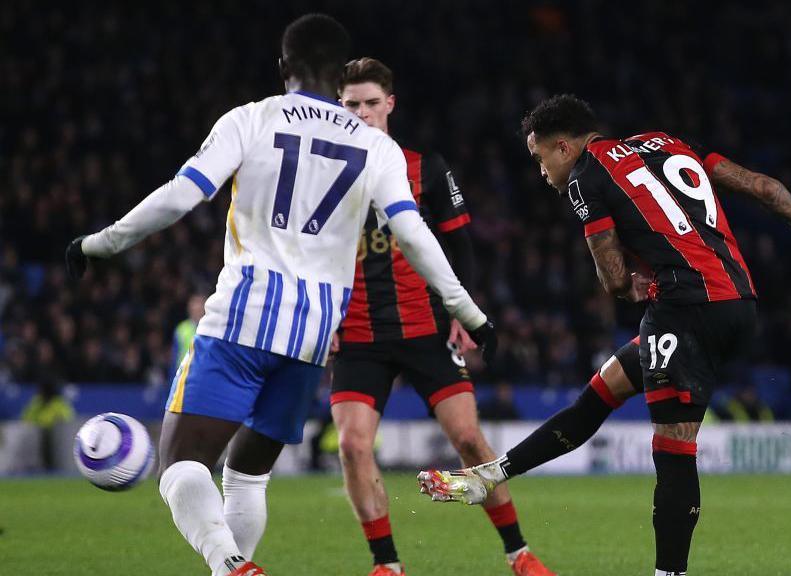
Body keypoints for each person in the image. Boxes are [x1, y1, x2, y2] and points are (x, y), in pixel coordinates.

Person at [64, 15, 494, 576]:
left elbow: (180, 197)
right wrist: (468, 311)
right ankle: (235, 565)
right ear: (341, 77)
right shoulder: (375, 147)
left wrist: (99, 244)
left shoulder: (252, 118)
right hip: (315, 334)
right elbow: (414, 235)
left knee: (178, 463)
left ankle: (228, 563)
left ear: (283, 67)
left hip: (244, 314)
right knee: (246, 473)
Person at [420, 94, 791, 576]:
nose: (541, 171)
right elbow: (758, 185)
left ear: (563, 147)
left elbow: (613, 279)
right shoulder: (668, 142)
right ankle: (489, 477)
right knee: (596, 398)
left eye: (540, 159)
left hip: (686, 307)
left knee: (674, 446)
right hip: (739, 303)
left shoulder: (584, 177)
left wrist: (631, 285)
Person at [330, 57, 553, 576]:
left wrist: (460, 309)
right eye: (350, 104)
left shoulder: (423, 166)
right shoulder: (323, 175)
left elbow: (458, 242)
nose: (361, 113)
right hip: (357, 334)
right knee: (352, 445)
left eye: (370, 103)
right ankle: (387, 565)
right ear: (337, 108)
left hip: (426, 327)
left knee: (470, 440)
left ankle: (519, 553)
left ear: (390, 103)